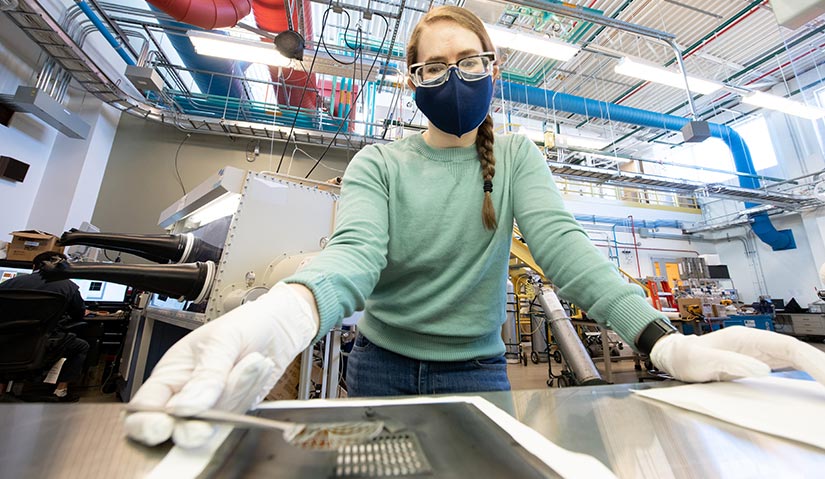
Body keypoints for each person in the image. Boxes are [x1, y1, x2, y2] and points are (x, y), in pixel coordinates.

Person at [125, 5, 825, 447]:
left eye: (468, 61)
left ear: (491, 67)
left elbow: (567, 254)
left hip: (481, 370)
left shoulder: (516, 157)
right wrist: (270, 322)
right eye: (435, 66)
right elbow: (354, 259)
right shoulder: (379, 161)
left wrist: (664, 343)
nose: (453, 75)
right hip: (380, 370)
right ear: (411, 80)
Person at [0, 251, 90, 402]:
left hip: (5, 343)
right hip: (42, 344)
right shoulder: (69, 286)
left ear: (34, 266)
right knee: (82, 347)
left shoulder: (9, 283)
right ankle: (60, 391)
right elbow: (78, 315)